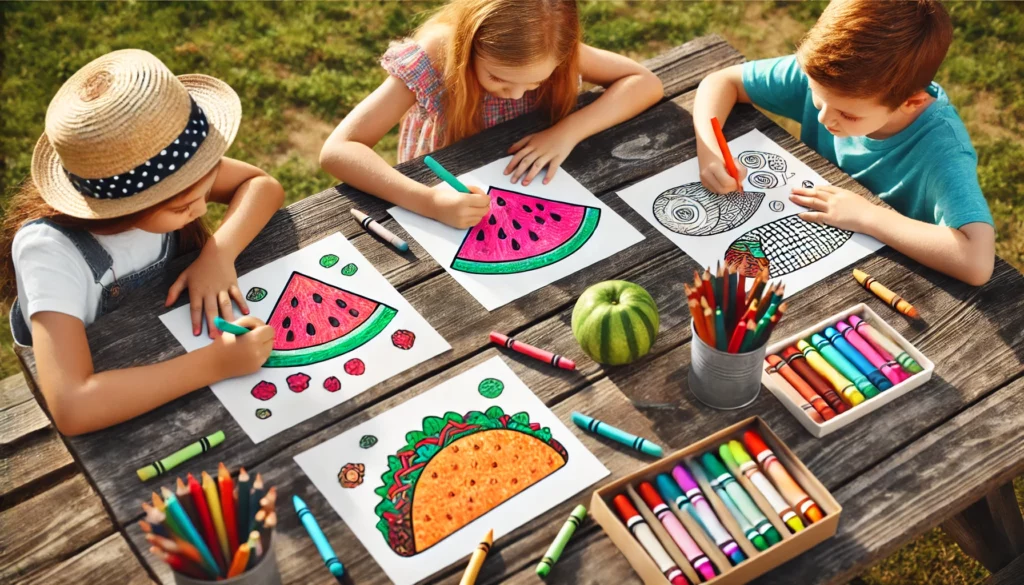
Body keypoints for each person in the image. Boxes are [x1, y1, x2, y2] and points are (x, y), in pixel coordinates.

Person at [0, 49, 285, 435]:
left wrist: (218, 254)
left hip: (169, 362)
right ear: (120, 208)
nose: (202, 210)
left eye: (207, 184)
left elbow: (261, 185)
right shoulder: (48, 252)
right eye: (184, 206)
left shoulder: (171, 167)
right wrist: (216, 364)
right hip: (121, 412)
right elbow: (73, 406)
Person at [693, 0, 994, 286]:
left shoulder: (942, 149)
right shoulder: (832, 78)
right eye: (816, 96)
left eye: (847, 115)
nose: (824, 117)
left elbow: (976, 262)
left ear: (911, 102)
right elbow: (721, 82)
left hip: (893, 275)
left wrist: (866, 216)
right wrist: (710, 150)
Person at [320, 0, 664, 228]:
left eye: (535, 82)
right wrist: (429, 201)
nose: (515, 93)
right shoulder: (437, 56)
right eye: (498, 78)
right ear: (468, 46)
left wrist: (568, 131)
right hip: (445, 189)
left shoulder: (550, 42)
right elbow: (338, 151)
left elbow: (644, 82)